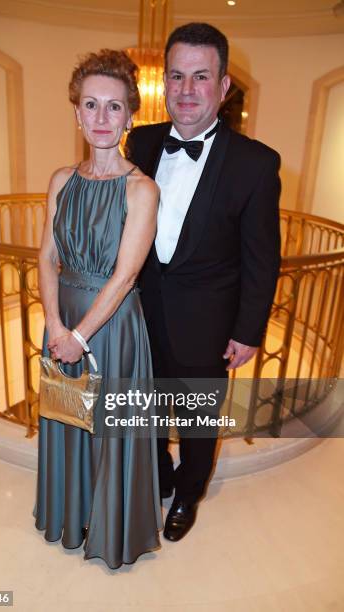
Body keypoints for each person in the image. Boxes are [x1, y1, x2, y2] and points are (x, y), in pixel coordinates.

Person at [125, 22, 281, 542]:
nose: (186, 90)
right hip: (141, 316)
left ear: (224, 84)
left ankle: (188, 493)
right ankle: (157, 475)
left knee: (196, 421)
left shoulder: (256, 164)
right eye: (176, 76)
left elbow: (262, 258)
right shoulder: (141, 141)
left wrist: (249, 330)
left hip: (209, 326)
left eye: (200, 77)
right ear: (163, 81)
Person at [33, 49, 163, 569]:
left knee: (109, 429)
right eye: (91, 105)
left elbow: (126, 275)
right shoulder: (61, 180)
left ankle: (110, 526)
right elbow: (45, 257)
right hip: (61, 322)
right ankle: (72, 512)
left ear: (131, 114)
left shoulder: (142, 189)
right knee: (68, 418)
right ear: (77, 113)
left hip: (110, 330)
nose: (102, 119)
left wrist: (78, 337)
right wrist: (52, 324)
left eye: (114, 107)